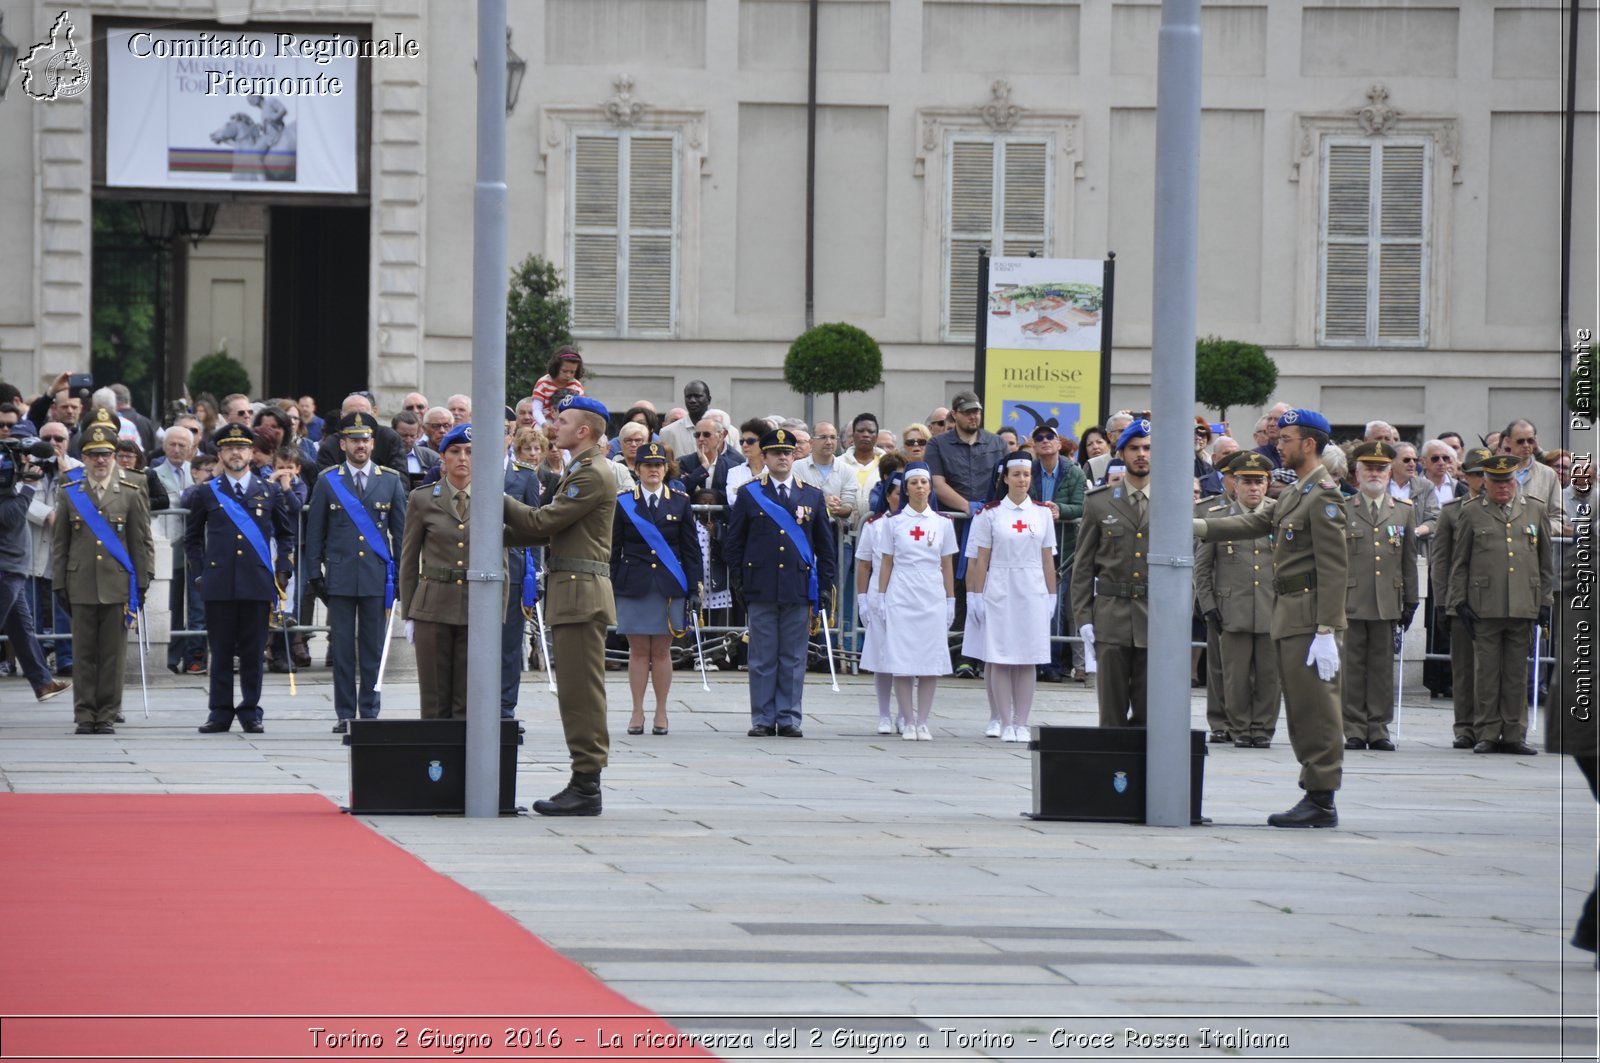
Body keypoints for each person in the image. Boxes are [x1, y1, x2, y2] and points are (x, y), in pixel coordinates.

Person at [1194, 408, 1349, 829]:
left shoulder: (1324, 496)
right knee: (1301, 711)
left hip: (1310, 620)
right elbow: (1256, 521)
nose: (1278, 445)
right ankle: (1313, 793)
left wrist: (1326, 630)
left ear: (1309, 444)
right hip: (1289, 615)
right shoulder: (1298, 492)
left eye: (1286, 439)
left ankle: (1321, 799)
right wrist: (1193, 526)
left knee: (1317, 711)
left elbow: (1335, 569)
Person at [503, 395, 618, 816]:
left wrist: (493, 497)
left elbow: (544, 522)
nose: (556, 426)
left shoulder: (590, 474)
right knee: (575, 693)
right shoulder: (580, 470)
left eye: (564, 420)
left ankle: (586, 785)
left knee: (581, 695)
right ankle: (583, 780)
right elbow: (549, 532)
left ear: (584, 431)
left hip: (580, 592)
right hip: (572, 588)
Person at [724, 427, 836, 738]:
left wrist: (825, 587)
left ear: (794, 455)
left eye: (787, 452)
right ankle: (762, 717)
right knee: (761, 657)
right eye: (775, 452)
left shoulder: (811, 495)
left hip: (798, 586)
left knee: (793, 656)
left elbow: (825, 548)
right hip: (760, 585)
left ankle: (788, 717)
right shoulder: (749, 494)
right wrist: (738, 581)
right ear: (765, 457)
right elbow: (734, 544)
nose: (783, 457)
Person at [186, 423, 297, 734]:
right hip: (219, 583)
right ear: (220, 453)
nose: (236, 452)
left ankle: (251, 711)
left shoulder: (269, 491)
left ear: (251, 453)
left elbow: (286, 535)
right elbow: (192, 539)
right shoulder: (206, 492)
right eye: (230, 448)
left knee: (252, 652)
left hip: (257, 582)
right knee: (220, 652)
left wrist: (283, 570)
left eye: (242, 447)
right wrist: (199, 574)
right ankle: (220, 712)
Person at [303, 412, 409, 733]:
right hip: (340, 576)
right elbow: (315, 533)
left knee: (373, 650)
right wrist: (314, 573)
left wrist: (402, 575)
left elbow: (401, 534)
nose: (360, 445)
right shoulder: (328, 480)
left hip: (377, 577)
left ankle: (370, 712)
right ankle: (346, 713)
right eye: (354, 440)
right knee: (343, 651)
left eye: (365, 440)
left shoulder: (390, 481)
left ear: (373, 443)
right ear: (343, 443)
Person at [52, 412, 155, 733]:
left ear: (114, 456)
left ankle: (107, 713)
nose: (100, 460)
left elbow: (142, 542)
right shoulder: (70, 492)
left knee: (112, 656)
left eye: (106, 454)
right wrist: (59, 584)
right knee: (83, 655)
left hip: (117, 583)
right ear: (83, 457)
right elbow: (61, 546)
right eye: (94, 455)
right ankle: (85, 714)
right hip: (80, 582)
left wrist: (143, 581)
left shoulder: (130, 490)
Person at [1447, 453, 1553, 756]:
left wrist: (1545, 601)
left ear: (1515, 480)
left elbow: (1545, 563)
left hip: (1523, 603)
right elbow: (1460, 563)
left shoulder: (1534, 509)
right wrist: (1459, 601)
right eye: (1496, 481)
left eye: (1508, 481)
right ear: (1487, 482)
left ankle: (1515, 733)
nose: (1503, 487)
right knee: (1487, 673)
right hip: (1485, 604)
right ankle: (1488, 732)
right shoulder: (1471, 513)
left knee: (1517, 673)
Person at [609, 442, 702, 737]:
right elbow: (614, 548)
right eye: (647, 465)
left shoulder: (680, 501)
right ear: (637, 469)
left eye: (658, 465)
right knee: (638, 651)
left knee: (661, 651)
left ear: (666, 468)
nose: (653, 470)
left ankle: (661, 711)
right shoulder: (624, 501)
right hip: (633, 583)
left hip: (669, 584)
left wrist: (695, 587)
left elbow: (691, 550)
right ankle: (637, 710)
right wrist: (610, 585)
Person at [963, 453, 1057, 742]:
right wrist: (976, 596)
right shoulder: (990, 514)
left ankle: (1021, 721)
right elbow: (981, 560)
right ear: (1005, 478)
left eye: (1027, 475)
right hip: (1000, 585)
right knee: (1001, 657)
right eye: (1016, 475)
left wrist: (1052, 595)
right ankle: (1004, 721)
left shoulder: (1041, 514)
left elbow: (1047, 559)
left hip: (1031, 587)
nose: (1022, 480)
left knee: (1028, 658)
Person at [1196, 452, 1281, 747]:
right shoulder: (1219, 518)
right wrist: (1207, 605)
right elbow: (1203, 567)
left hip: (1272, 607)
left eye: (1260, 482)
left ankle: (1263, 728)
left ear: (1268, 484)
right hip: (1232, 607)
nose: (1254, 488)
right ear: (1235, 484)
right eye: (1247, 482)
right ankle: (1240, 727)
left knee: (1270, 676)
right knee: (1235, 675)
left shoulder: (1280, 515)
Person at [1072, 419, 1153, 727]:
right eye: (1134, 448)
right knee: (1111, 715)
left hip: (1154, 617)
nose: (1141, 454)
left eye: (1147, 448)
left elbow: (1186, 564)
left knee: (1150, 714)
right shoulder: (1099, 502)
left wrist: (1179, 614)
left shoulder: (1173, 501)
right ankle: (1115, 776)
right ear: (1121, 453)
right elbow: (1082, 568)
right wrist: (1084, 619)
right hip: (1111, 617)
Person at [1341, 441, 1418, 751]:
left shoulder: (1403, 511)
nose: (1375, 473)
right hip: (1351, 601)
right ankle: (1355, 728)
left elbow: (1408, 560)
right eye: (1368, 468)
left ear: (1389, 472)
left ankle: (1379, 727)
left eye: (1381, 468)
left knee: (1382, 670)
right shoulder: (1344, 510)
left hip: (1388, 600)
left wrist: (1411, 600)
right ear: (1356, 474)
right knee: (1352, 669)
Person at [872, 463, 958, 741]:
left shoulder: (943, 523)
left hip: (931, 591)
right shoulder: (893, 523)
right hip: (902, 590)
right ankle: (907, 720)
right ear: (906, 490)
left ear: (930, 487)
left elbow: (946, 564)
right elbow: (887, 562)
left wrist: (950, 599)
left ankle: (923, 721)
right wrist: (882, 597)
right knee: (903, 658)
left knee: (930, 659)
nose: (920, 487)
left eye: (924, 482)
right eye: (914, 483)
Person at [398, 423, 477, 720]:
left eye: (470, 452)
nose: (462, 458)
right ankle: (434, 764)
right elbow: (408, 559)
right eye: (455, 451)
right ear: (442, 457)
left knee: (466, 699)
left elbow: (502, 559)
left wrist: (499, 611)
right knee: (433, 699)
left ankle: (465, 765)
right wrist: (409, 612)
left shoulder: (491, 498)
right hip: (432, 606)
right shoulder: (422, 499)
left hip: (474, 606)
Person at [1430, 447, 1492, 748]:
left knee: (1493, 669)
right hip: (1461, 598)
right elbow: (1440, 561)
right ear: (1465, 476)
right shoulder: (1452, 511)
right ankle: (1465, 727)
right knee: (1465, 669)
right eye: (1476, 474)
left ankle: (1490, 725)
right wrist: (1443, 602)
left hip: (1493, 599)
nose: (1482, 480)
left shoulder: (1499, 507)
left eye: (1486, 474)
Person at [0, 445, 71, 704]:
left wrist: (22, 477)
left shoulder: (9, 485)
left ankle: (43, 683)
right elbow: (11, 516)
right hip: (5, 570)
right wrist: (29, 485)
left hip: (14, 569)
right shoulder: (13, 493)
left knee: (22, 630)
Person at [1028, 424, 1087, 682]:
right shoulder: (1027, 471)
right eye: (1038, 437)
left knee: (1058, 607)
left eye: (1049, 436)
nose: (1044, 441)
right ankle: (1032, 661)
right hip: (1031, 546)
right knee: (1032, 604)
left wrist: (1059, 510)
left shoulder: (1073, 472)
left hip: (1063, 548)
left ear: (1059, 443)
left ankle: (1051, 664)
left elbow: (1083, 505)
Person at [152, 425, 207, 675]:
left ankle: (195, 655)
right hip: (170, 544)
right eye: (172, 444)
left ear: (190, 448)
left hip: (197, 547)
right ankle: (172, 656)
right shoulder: (154, 473)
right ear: (164, 446)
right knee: (172, 604)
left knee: (197, 604)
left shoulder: (198, 471)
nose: (176, 450)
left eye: (182, 446)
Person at [855, 461, 904, 733]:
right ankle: (884, 713)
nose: (902, 498)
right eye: (897, 493)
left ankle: (906, 712)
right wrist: (863, 598)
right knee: (883, 657)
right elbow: (864, 563)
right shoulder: (875, 525)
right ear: (887, 496)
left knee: (907, 657)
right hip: (879, 593)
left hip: (909, 592)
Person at [528, 347, 586, 425]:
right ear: (556, 368)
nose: (568, 375)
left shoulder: (577, 386)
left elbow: (581, 410)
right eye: (565, 371)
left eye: (572, 372)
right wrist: (544, 425)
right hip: (544, 421)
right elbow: (536, 410)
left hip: (569, 422)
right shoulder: (543, 383)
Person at [658, 380, 712, 460]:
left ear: (709, 399)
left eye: (697, 396)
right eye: (688, 397)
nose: (692, 400)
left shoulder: (727, 431)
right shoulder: (668, 432)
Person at [724, 417, 772, 506]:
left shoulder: (774, 471)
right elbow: (732, 500)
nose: (745, 445)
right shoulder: (734, 472)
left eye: (750, 441)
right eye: (742, 441)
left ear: (764, 442)